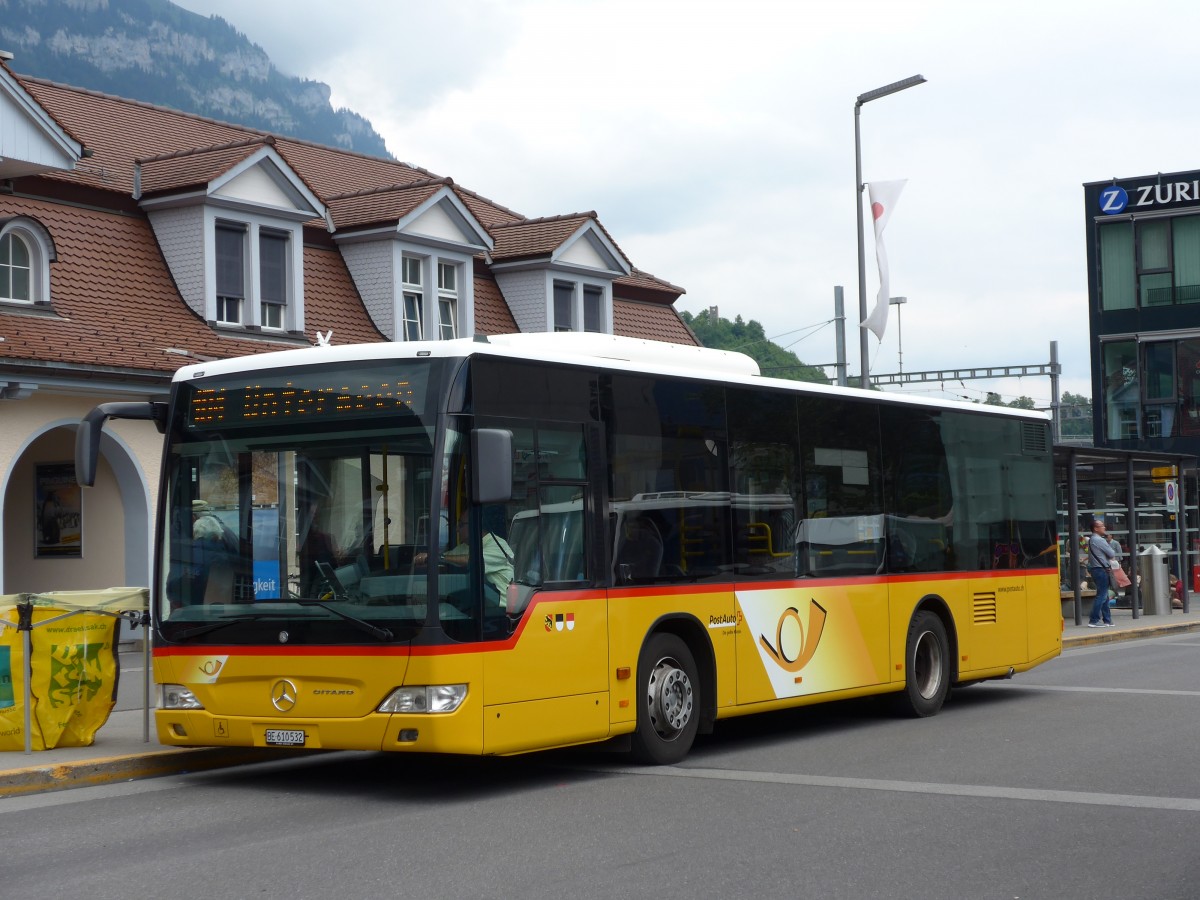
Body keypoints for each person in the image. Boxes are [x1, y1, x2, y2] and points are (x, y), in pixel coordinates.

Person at [416, 517, 514, 605]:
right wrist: (424, 560)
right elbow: (446, 558)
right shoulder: (465, 547)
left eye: (461, 525)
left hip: (502, 608)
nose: (457, 530)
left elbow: (472, 560)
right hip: (482, 601)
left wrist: (437, 558)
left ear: (474, 525)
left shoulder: (497, 545)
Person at [1087, 518, 1117, 627]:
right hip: (1101, 570)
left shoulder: (1092, 539)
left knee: (1104, 596)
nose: (1104, 527)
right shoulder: (1099, 540)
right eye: (1102, 526)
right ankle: (1094, 620)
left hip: (1097, 570)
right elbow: (1112, 553)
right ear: (1096, 528)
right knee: (1102, 596)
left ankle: (1107, 620)